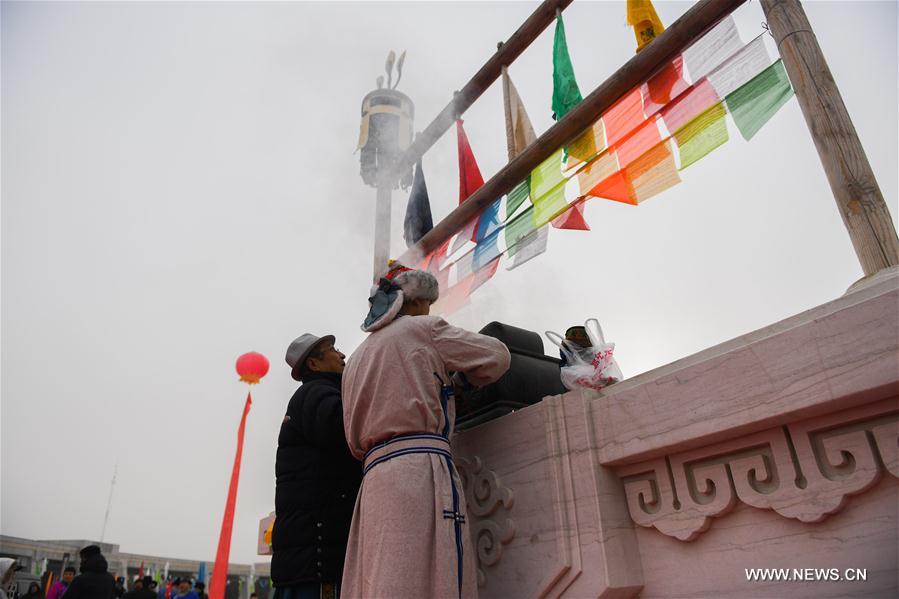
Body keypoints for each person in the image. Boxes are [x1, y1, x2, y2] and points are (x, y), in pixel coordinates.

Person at [341, 268, 511, 599]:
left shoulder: (357, 358)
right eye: (427, 303)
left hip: (374, 479)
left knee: (379, 577)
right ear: (416, 301)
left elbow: (350, 435)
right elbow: (497, 356)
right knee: (431, 572)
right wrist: (459, 382)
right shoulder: (423, 329)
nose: (430, 310)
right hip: (420, 468)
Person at [272, 332, 363, 598]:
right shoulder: (317, 392)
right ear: (314, 364)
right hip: (318, 564)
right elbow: (346, 431)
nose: (342, 354)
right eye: (333, 349)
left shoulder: (314, 395)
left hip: (305, 562)